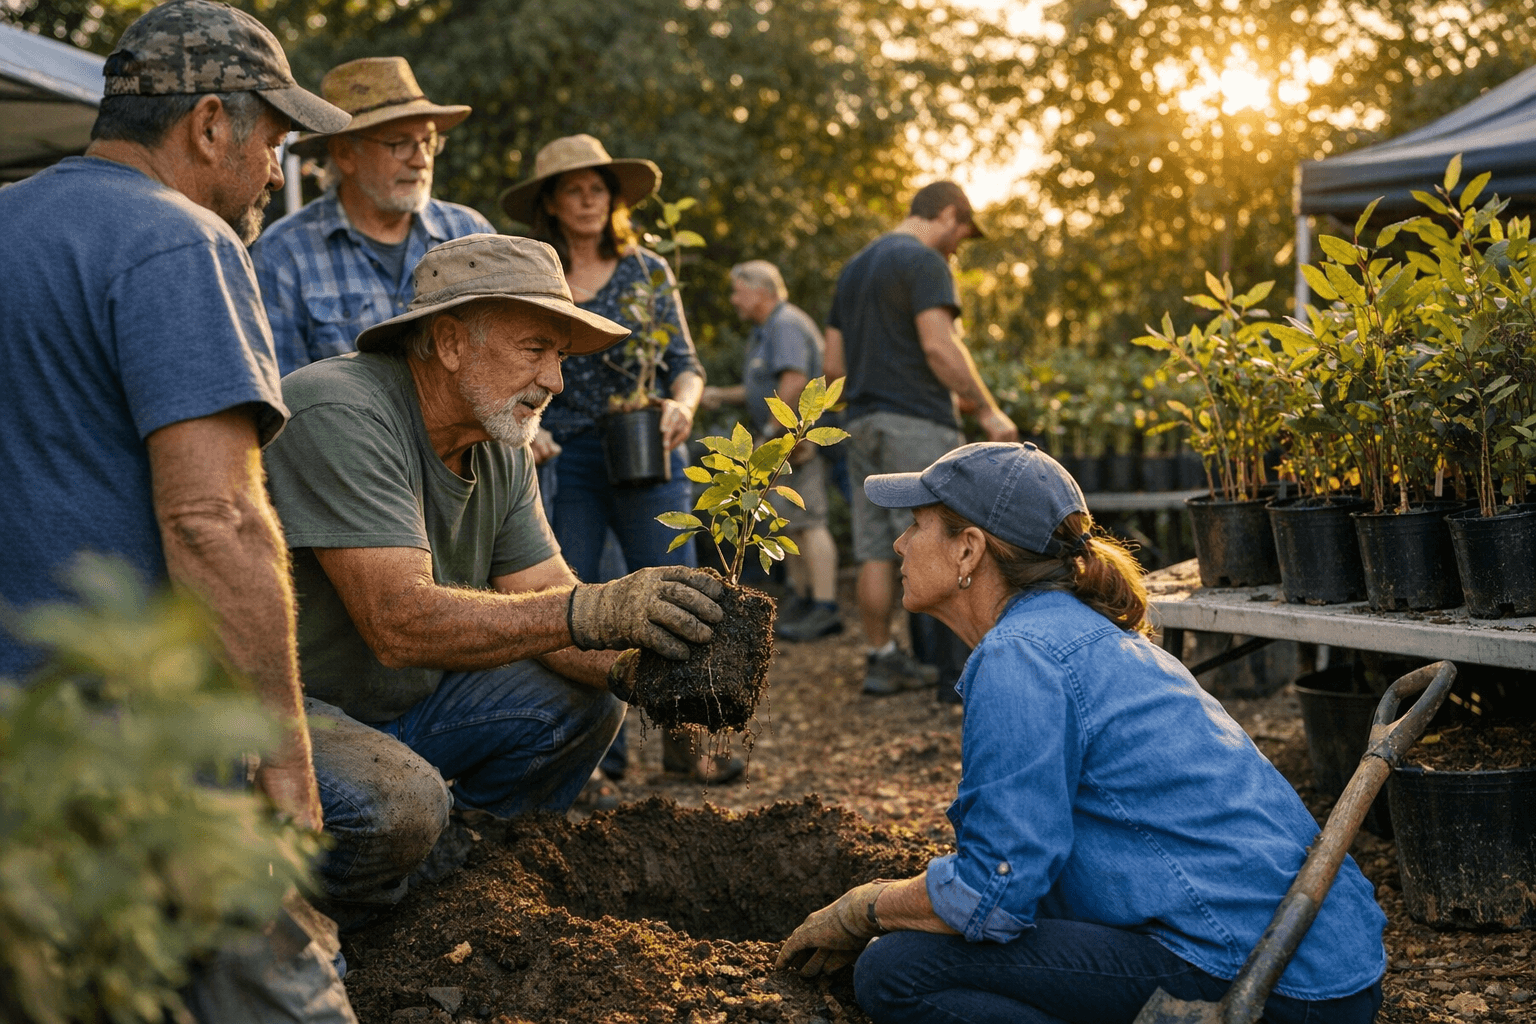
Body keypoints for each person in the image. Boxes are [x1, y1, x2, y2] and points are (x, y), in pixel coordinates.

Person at [0, 1, 356, 1018]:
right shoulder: (181, 241)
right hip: (143, 748)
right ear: (210, 124)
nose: (279, 172)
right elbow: (218, 522)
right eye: (277, 141)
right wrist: (284, 761)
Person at [776, 442, 1387, 1024]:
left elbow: (991, 892)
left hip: (1267, 983)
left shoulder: (1022, 656)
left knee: (897, 970)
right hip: (1329, 964)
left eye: (915, 524)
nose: (899, 543)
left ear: (969, 551)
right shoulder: (1079, 633)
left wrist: (867, 907)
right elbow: (1029, 867)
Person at [261, 234, 728, 924]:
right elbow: (399, 622)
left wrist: (658, 675)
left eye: (560, 358)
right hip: (280, 715)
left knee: (589, 701)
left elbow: (545, 597)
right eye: (534, 350)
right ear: (449, 342)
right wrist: (592, 611)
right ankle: (349, 931)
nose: (556, 383)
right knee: (403, 803)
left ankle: (467, 893)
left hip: (393, 709)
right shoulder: (340, 411)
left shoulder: (494, 441)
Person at [501, 134, 737, 785]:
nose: (586, 200)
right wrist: (528, 430)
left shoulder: (648, 271)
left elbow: (685, 366)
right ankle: (598, 753)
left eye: (596, 189)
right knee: (576, 601)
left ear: (613, 198)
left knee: (677, 594)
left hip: (647, 451)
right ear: (550, 200)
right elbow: (515, 364)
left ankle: (687, 742)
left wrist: (682, 406)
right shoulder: (536, 278)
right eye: (572, 189)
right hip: (566, 456)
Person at [824, 180, 1019, 696]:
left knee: (873, 548)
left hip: (861, 422)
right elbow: (938, 346)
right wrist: (988, 408)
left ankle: (881, 657)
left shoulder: (853, 270)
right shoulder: (924, 261)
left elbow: (832, 366)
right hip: (916, 422)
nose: (958, 246)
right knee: (943, 540)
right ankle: (956, 675)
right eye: (962, 233)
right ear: (949, 214)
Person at [251, 56, 494, 375]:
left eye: (428, 141)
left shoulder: (470, 235)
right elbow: (287, 401)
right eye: (399, 144)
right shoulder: (282, 255)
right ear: (344, 154)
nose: (421, 160)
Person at [702, 259, 842, 642]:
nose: (733, 299)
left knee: (810, 520)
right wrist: (719, 395)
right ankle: (803, 597)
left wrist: (771, 434)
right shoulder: (766, 331)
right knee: (789, 522)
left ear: (760, 290)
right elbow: (760, 389)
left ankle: (826, 607)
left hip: (796, 444)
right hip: (782, 440)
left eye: (737, 290)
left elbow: (794, 381)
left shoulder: (786, 324)